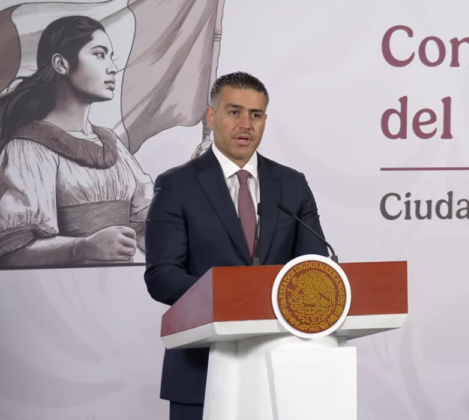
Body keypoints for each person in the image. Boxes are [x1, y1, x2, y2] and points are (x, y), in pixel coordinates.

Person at [144, 71, 330, 420]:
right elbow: (161, 275)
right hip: (201, 370)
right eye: (234, 112)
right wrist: (231, 297)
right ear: (211, 116)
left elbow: (313, 269)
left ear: (265, 121)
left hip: (283, 370)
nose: (246, 124)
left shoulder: (292, 185)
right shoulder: (176, 186)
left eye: (255, 115)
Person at [0, 15, 152, 268]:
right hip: (65, 288)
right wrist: (83, 248)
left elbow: (143, 230)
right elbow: (12, 251)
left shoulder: (111, 143)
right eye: (100, 54)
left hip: (124, 285)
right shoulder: (29, 148)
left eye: (111, 56)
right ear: (61, 64)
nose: (112, 68)